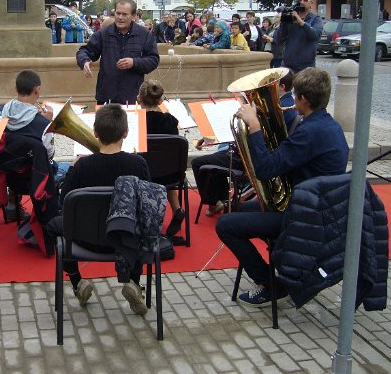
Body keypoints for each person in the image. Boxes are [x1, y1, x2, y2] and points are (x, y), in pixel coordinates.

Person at [215, 67, 348, 305]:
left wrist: (255, 127)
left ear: (303, 99)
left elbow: (266, 168)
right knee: (240, 210)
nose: (291, 101)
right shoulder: (328, 125)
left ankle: (271, 284)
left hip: (307, 218)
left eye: (294, 96)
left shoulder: (310, 132)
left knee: (225, 225)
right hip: (317, 208)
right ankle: (283, 266)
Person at [45, 104, 152, 315]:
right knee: (139, 219)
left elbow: (63, 202)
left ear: (95, 132)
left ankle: (77, 282)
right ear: (126, 133)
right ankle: (133, 281)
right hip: (125, 239)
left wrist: (72, 170)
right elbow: (147, 205)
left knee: (51, 226)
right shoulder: (138, 163)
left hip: (87, 240)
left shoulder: (82, 167)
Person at [192, 71, 297, 218]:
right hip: (251, 152)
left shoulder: (280, 109)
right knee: (217, 157)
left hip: (251, 156)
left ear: (282, 87)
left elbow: (257, 135)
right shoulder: (283, 105)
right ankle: (223, 199)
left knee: (198, 163)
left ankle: (216, 202)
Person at [76, 0, 159, 105]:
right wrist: (84, 61)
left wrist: (134, 63)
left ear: (133, 16)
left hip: (133, 96)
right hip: (106, 96)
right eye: (118, 13)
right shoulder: (104, 34)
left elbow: (153, 60)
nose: (120, 17)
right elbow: (84, 51)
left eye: (124, 14)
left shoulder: (145, 35)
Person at [136, 80, 185, 241]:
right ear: (161, 100)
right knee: (163, 163)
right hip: (170, 175)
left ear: (139, 99)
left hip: (144, 176)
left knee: (146, 163)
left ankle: (141, 217)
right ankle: (177, 209)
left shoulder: (136, 122)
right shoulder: (171, 121)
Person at [274, 0, 323, 73]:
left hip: (306, 66)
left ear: (311, 3)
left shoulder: (315, 19)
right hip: (287, 64)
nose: (302, 2)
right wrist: (283, 22)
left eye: (305, 0)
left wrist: (301, 22)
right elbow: (278, 39)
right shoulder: (291, 17)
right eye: (299, 0)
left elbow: (316, 36)